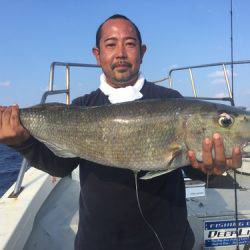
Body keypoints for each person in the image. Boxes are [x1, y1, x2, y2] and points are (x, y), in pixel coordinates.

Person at [0, 14, 242, 250]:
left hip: (168, 240)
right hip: (98, 241)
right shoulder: (82, 106)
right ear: (97, 54)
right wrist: (23, 143)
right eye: (111, 44)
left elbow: (191, 167)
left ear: (142, 51)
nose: (121, 53)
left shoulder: (170, 100)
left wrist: (210, 170)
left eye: (130, 44)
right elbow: (61, 166)